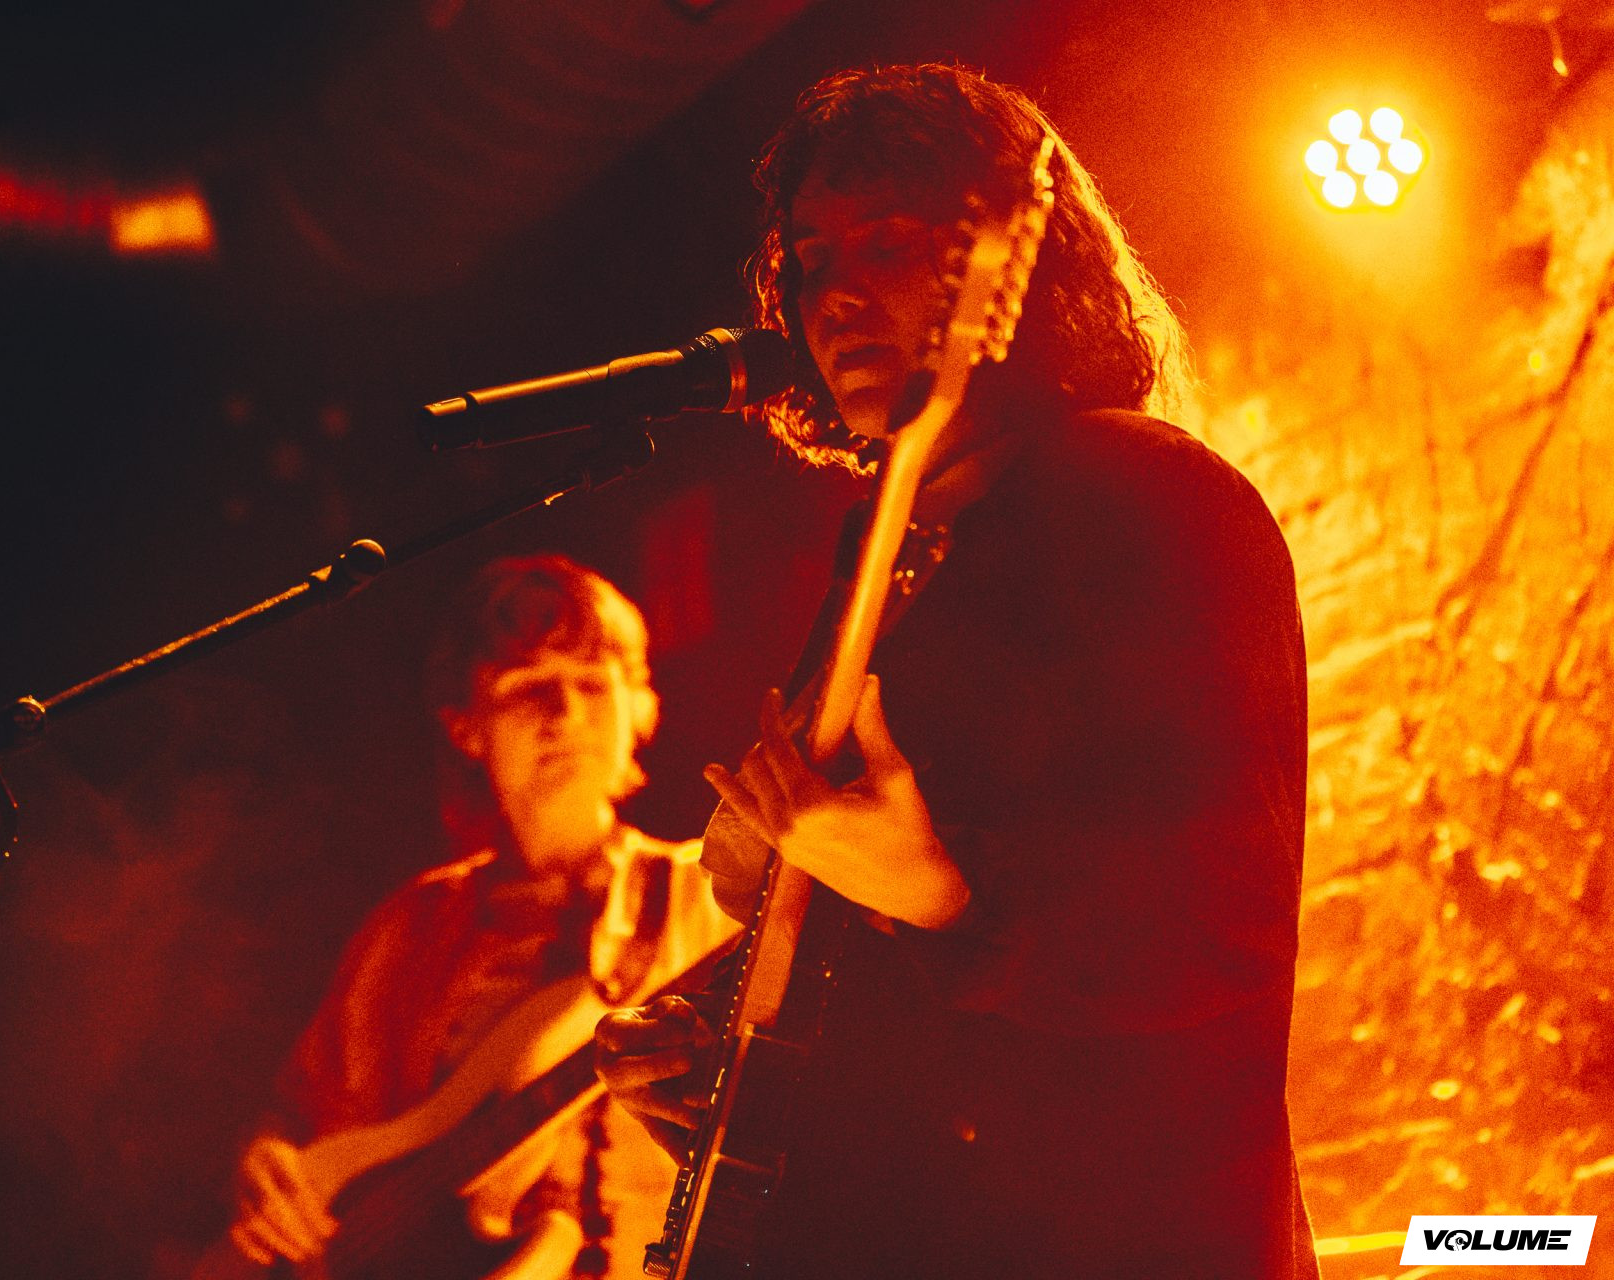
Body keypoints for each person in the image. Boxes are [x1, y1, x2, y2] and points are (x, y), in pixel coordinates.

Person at [595, 64, 1321, 1278]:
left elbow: (1222, 911)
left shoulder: (1147, 492)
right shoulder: (885, 554)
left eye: (887, 241)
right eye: (811, 260)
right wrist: (714, 1035)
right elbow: (870, 941)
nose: (835, 296)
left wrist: (946, 890)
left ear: (1017, 274)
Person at [228, 555, 734, 1279]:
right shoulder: (407, 929)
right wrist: (268, 1170)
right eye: (526, 687)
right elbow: (300, 1116)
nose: (564, 714)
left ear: (642, 707)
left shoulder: (712, 896)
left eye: (592, 684)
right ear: (466, 728)